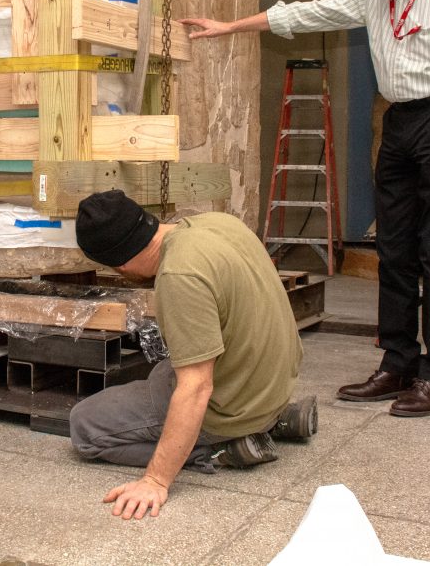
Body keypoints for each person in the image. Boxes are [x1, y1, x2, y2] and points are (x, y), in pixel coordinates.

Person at [180, 0, 430, 419]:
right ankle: (397, 363)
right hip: (398, 122)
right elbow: (310, 14)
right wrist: (230, 27)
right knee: (393, 250)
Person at [68, 191, 318, 521]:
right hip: (274, 386)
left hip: (232, 407)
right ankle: (276, 419)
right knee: (165, 370)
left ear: (121, 263)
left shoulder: (179, 275)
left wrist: (156, 480)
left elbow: (197, 387)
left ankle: (222, 447)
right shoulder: (220, 224)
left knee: (84, 425)